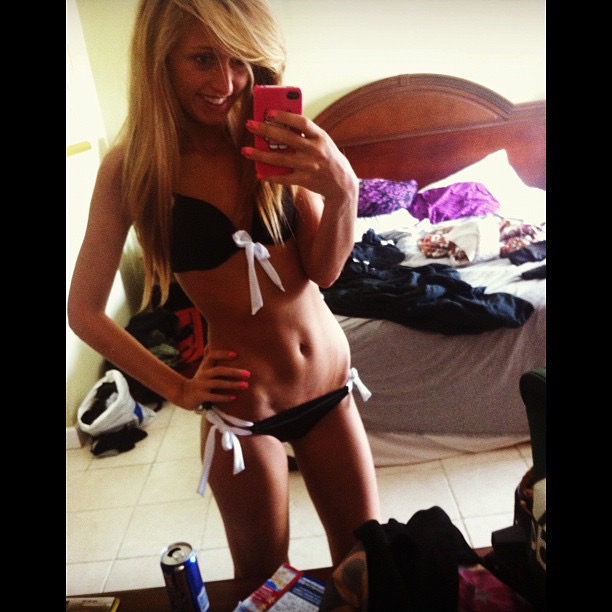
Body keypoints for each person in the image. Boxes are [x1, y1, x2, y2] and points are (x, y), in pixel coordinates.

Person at [68, 0, 380, 579]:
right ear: (160, 59)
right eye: (203, 59)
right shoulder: (133, 169)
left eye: (240, 61)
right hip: (243, 415)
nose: (227, 82)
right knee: (264, 586)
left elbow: (325, 271)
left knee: (368, 568)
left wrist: (344, 192)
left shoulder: (273, 136)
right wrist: (179, 388)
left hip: (330, 390)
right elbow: (83, 310)